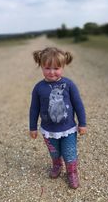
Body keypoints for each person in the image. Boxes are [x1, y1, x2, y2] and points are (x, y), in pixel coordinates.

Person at [29, 47, 87, 189]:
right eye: (47, 68)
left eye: (56, 68)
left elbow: (78, 104)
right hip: (48, 130)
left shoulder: (69, 85)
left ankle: (72, 172)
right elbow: (34, 108)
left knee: (69, 152)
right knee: (54, 152)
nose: (52, 72)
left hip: (68, 129)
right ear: (41, 66)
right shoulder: (38, 88)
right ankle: (57, 165)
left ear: (63, 66)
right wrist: (32, 127)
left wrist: (82, 123)